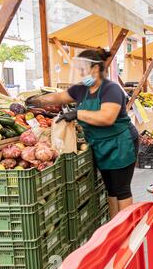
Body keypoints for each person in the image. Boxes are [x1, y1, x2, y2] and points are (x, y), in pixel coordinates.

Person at [26, 48, 139, 218]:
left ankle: (127, 230)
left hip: (120, 143)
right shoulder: (81, 89)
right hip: (101, 145)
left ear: (94, 69)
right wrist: (34, 100)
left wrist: (77, 114)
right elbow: (59, 97)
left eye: (82, 69)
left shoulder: (111, 89)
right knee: (111, 190)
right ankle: (115, 228)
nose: (79, 73)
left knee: (121, 190)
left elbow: (107, 117)